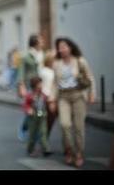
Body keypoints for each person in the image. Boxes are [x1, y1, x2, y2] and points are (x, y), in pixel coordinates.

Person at [49, 37, 96, 168]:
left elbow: (90, 77)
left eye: (64, 46)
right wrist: (52, 99)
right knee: (65, 125)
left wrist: (92, 93)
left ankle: (79, 153)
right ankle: (68, 149)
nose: (61, 49)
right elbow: (54, 83)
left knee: (79, 127)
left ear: (70, 47)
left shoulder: (80, 61)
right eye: (59, 47)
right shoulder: (57, 63)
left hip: (78, 95)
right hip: (63, 96)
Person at [17, 34, 44, 141]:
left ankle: (36, 133)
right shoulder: (26, 56)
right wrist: (21, 86)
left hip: (41, 86)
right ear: (35, 43)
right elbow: (21, 72)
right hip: (30, 86)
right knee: (30, 109)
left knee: (39, 109)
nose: (42, 43)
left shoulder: (42, 54)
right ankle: (24, 128)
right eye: (40, 41)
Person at [22, 76, 53, 157]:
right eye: (39, 84)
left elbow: (48, 100)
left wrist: (50, 103)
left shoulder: (43, 94)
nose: (41, 85)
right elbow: (25, 104)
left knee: (43, 132)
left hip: (42, 115)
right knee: (32, 134)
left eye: (41, 83)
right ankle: (30, 149)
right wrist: (28, 109)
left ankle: (46, 149)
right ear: (34, 85)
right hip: (33, 116)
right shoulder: (30, 95)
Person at [39, 51, 57, 137]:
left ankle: (44, 137)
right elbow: (43, 87)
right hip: (46, 99)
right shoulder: (45, 71)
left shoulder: (53, 71)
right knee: (46, 120)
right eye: (55, 59)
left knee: (50, 120)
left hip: (52, 98)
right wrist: (49, 100)